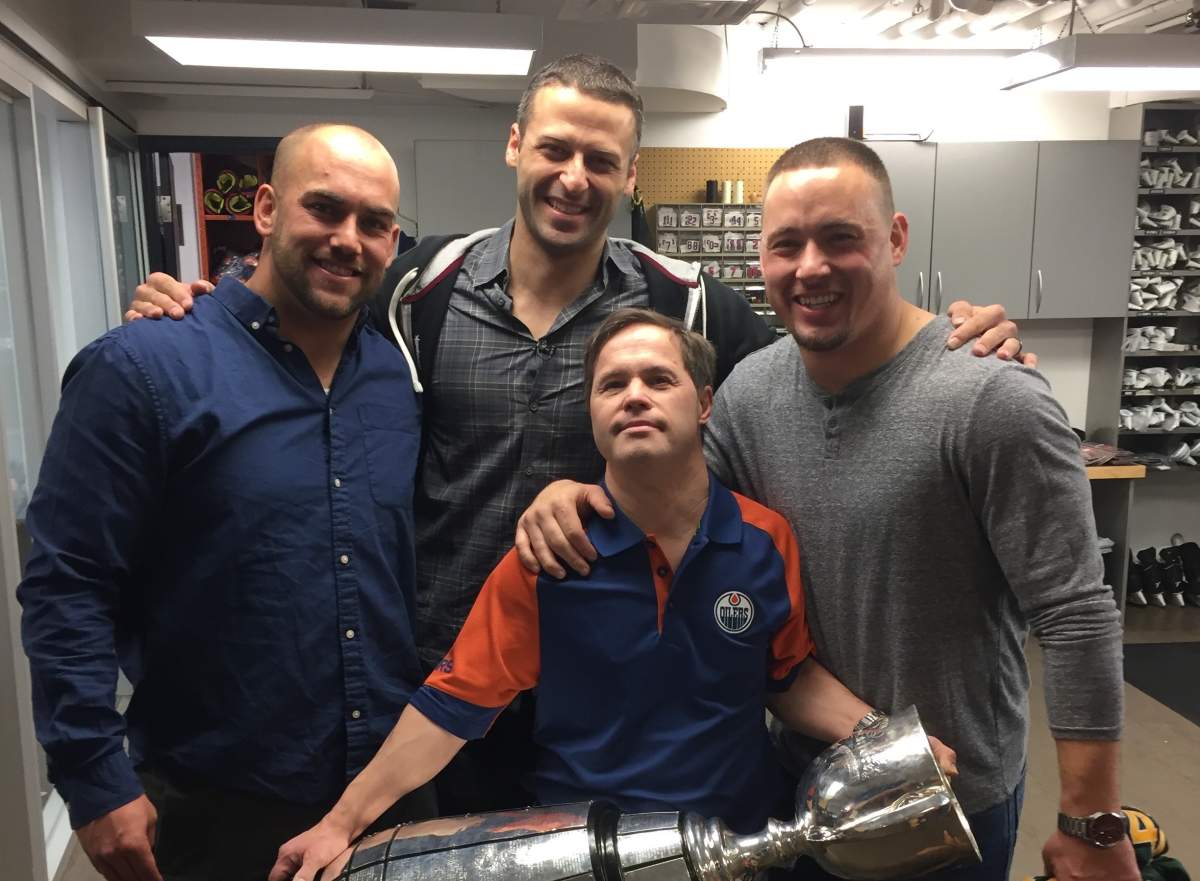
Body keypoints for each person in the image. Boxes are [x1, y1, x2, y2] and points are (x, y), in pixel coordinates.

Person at [125, 56, 1025, 814]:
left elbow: (832, 341)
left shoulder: (686, 301)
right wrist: (205, 305)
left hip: (618, 697)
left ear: (631, 176)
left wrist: (947, 337)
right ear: (515, 145)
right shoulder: (418, 287)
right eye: (554, 147)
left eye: (603, 159)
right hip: (452, 691)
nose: (574, 176)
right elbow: (310, 294)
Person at [515, 138, 1139, 881]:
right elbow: (662, 507)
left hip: (949, 801)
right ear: (762, 260)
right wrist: (568, 493)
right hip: (802, 789)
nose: (810, 267)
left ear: (897, 238)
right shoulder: (748, 396)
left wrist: (1092, 823)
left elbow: (1075, 613)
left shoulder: (990, 397)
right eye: (787, 245)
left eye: (841, 238)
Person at [265, 308, 958, 881]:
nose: (635, 395)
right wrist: (340, 823)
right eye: (611, 384)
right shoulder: (550, 556)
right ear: (593, 415)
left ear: (705, 403)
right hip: (590, 857)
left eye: (659, 379)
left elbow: (784, 676)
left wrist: (887, 740)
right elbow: (449, 708)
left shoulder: (765, 538)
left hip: (745, 849)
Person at [17, 124, 435, 881]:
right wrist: (90, 773)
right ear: (267, 208)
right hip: (219, 803)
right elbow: (67, 584)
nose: (348, 239)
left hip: (387, 794)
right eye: (325, 209)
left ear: (394, 240)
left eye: (373, 223)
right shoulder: (143, 367)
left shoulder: (395, 374)